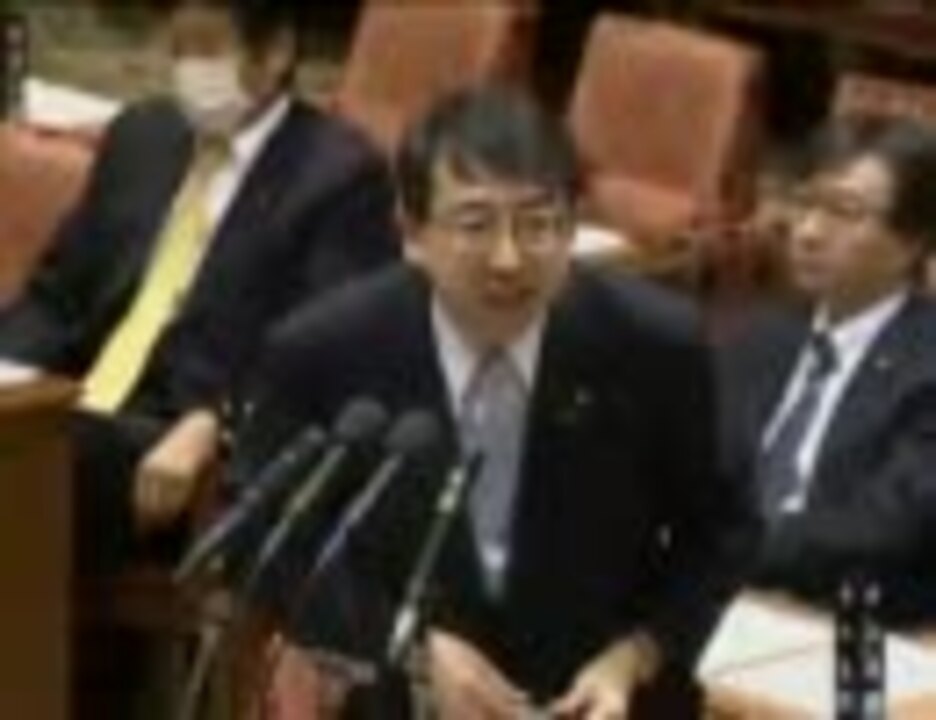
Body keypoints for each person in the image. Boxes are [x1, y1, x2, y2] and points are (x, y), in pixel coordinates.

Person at [233, 86, 753, 718]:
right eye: (475, 225)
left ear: (573, 225)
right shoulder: (323, 351)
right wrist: (407, 645)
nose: (509, 260)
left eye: (538, 224)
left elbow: (721, 533)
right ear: (412, 232)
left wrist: (635, 654)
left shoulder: (654, 346)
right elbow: (272, 537)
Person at [0, 0, 399, 571]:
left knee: (40, 462)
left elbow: (327, 358)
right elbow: (57, 295)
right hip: (70, 403)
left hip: (173, 441)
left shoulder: (338, 177)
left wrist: (218, 423)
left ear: (276, 51)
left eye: (208, 50)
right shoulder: (143, 135)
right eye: (178, 50)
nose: (189, 71)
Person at [719, 115, 936, 624]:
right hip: (722, 593)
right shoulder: (761, 335)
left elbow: (883, 527)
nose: (808, 232)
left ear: (912, 242)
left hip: (850, 618)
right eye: (804, 202)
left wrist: (724, 546)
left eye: (844, 212)